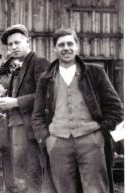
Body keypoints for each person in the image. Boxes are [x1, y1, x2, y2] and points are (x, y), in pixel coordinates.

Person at [32, 27, 123, 193]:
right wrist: (47, 139)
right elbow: (37, 115)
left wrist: (99, 133)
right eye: (61, 45)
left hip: (91, 142)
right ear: (54, 49)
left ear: (77, 46)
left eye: (69, 43)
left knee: (96, 189)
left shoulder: (95, 72)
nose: (66, 48)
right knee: (63, 190)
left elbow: (116, 108)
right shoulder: (45, 79)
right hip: (58, 143)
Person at [0, 24, 50, 193]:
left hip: (30, 132)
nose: (13, 47)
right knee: (19, 177)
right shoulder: (19, 67)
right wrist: (5, 110)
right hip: (15, 128)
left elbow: (47, 95)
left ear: (28, 41)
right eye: (10, 44)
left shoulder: (39, 62)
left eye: (17, 43)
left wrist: (15, 102)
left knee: (31, 178)